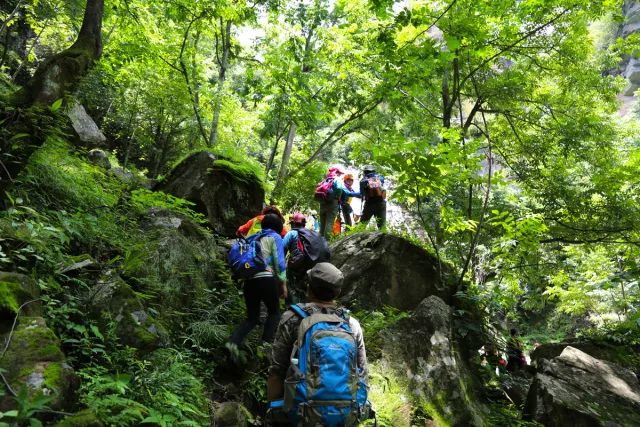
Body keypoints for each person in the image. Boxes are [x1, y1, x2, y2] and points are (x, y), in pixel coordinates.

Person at [267, 263, 369, 426]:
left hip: (302, 413)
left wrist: (272, 412)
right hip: (344, 415)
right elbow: (362, 371)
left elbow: (276, 371)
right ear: (338, 292)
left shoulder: (293, 318)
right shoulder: (351, 324)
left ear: (309, 287)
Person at [228, 214, 288, 353]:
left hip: (249, 281)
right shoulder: (275, 237)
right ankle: (264, 347)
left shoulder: (253, 237)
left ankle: (233, 343)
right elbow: (279, 263)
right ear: (278, 227)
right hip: (266, 278)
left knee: (252, 318)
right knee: (274, 313)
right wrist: (283, 284)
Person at [317, 166, 360, 239]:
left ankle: (319, 241)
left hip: (323, 203)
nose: (340, 175)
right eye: (339, 173)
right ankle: (326, 242)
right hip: (332, 203)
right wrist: (337, 198)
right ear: (336, 173)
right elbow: (339, 188)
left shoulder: (326, 180)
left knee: (322, 223)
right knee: (329, 222)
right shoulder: (337, 179)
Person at [281, 212, 308, 305]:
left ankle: (292, 308)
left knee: (291, 287)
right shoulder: (310, 233)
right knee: (303, 287)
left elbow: (282, 248)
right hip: (308, 264)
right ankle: (304, 308)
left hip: (295, 265)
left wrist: (281, 265)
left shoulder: (291, 233)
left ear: (294, 223)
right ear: (304, 223)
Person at [359, 165, 387, 229]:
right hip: (381, 203)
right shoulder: (380, 177)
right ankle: (383, 237)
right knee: (382, 226)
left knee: (362, 225)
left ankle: (358, 238)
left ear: (365, 172)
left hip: (370, 204)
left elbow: (362, 194)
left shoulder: (363, 181)